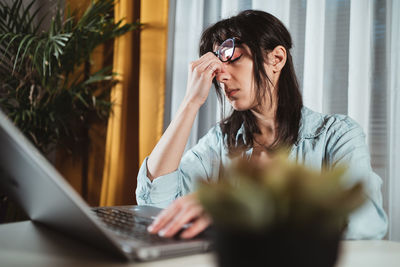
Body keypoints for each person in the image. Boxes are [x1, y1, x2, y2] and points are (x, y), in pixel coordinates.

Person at [136, 10, 388, 240]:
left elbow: (363, 227)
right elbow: (155, 204)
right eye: (216, 66)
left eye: (233, 59)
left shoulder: (337, 136)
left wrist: (235, 214)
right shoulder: (220, 142)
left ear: (276, 59)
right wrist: (190, 103)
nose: (221, 76)